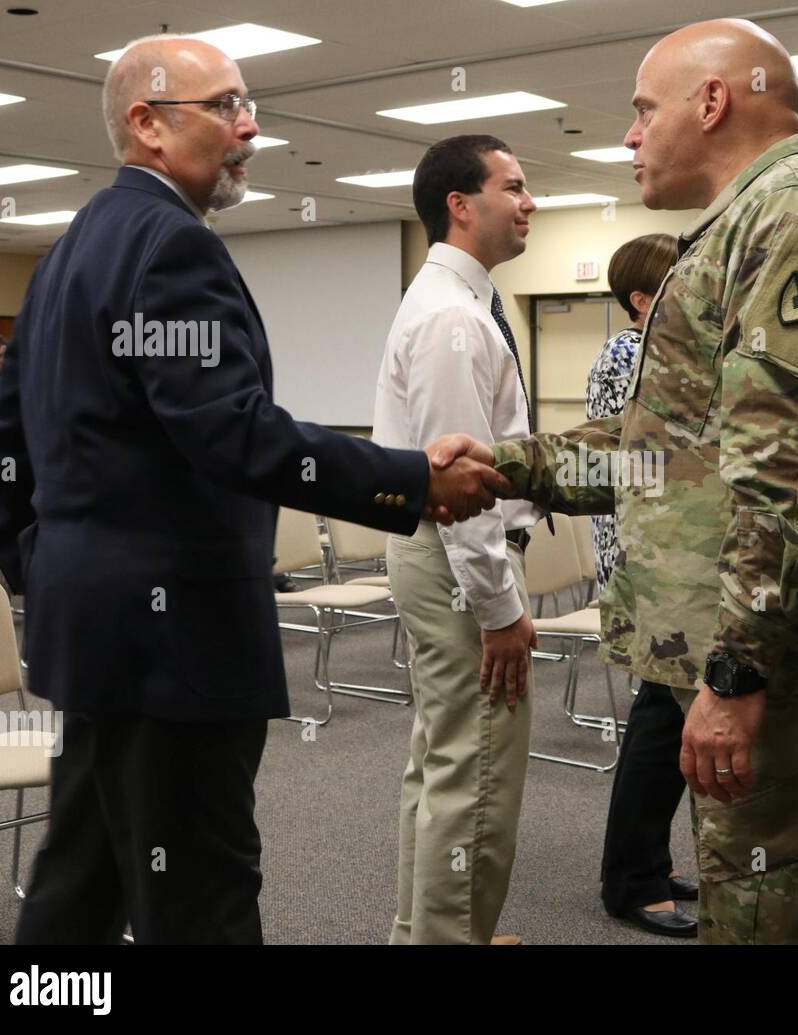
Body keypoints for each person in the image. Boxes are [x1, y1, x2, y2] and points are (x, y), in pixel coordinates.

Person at [0, 34, 507, 946]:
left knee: (82, 883)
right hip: (174, 645)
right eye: (224, 105)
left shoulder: (71, 252)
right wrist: (413, 479)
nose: (250, 125)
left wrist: (47, 562)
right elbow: (231, 431)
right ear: (147, 124)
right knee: (198, 899)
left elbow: (3, 433)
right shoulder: (168, 247)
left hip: (96, 635)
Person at [438, 17, 798, 945]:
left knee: (784, 919)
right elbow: (658, 449)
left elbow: (795, 476)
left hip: (796, 674)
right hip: (767, 660)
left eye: (641, 110)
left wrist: (740, 672)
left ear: (712, 102)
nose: (627, 136)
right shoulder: (744, 227)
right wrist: (495, 465)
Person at [372, 135, 542, 945]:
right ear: (461, 206)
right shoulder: (450, 316)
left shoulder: (456, 301)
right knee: (475, 768)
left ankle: (430, 931)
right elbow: (460, 490)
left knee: (444, 759)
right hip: (455, 561)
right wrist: (501, 608)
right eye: (513, 187)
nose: (529, 202)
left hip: (439, 560)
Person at [591, 233, 699, 938]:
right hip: (652, 556)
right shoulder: (636, 351)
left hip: (663, 550)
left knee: (662, 714)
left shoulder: (646, 347)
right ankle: (631, 879)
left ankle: (646, 865)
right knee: (663, 718)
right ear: (642, 299)